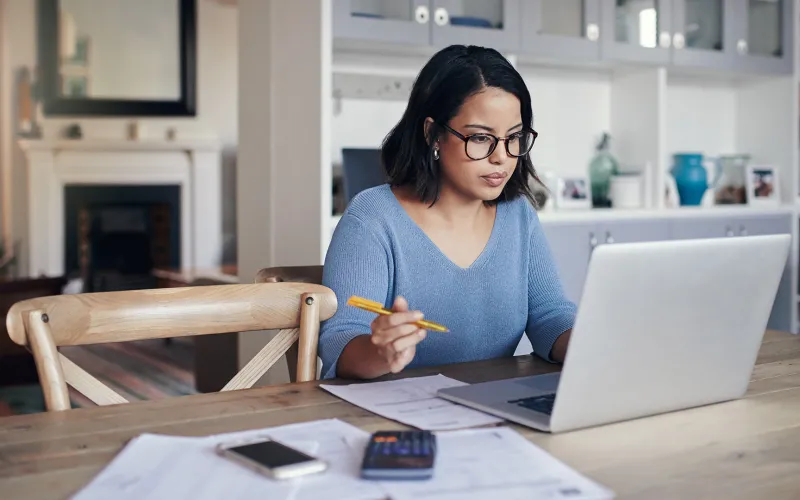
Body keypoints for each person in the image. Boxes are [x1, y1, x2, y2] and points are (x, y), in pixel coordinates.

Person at [319, 44, 577, 380]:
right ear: (433, 135)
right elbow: (341, 341)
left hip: (490, 412)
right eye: (481, 138)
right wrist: (379, 351)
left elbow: (550, 316)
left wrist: (594, 342)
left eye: (514, 137)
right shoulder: (373, 218)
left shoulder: (518, 216)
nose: (501, 157)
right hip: (392, 420)